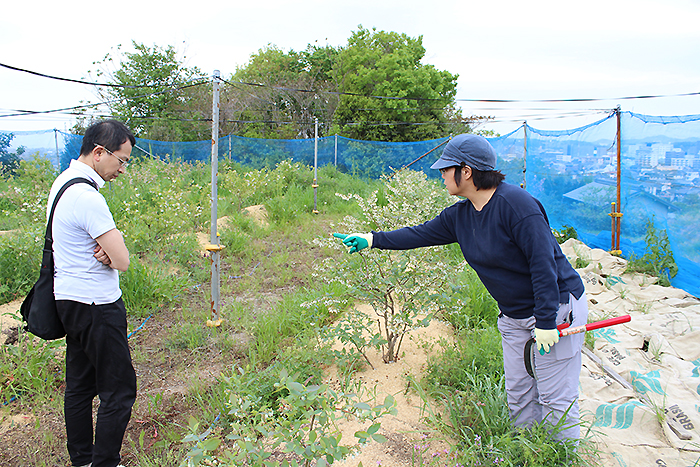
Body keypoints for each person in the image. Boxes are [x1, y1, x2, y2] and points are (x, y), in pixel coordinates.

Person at [334, 133, 588, 441]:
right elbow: (419, 234)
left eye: (446, 169)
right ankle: (527, 453)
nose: (441, 175)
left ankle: (561, 457)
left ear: (465, 172)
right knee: (519, 394)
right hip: (514, 317)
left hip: (556, 309)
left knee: (554, 400)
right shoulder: (461, 215)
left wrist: (547, 320)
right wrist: (372, 240)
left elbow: (544, 264)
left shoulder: (517, 206)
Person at [48, 119, 137, 467]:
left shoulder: (62, 183)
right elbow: (123, 260)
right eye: (122, 160)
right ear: (99, 153)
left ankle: (83, 459)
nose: (123, 169)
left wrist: (106, 251)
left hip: (68, 299)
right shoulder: (87, 196)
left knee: (81, 386)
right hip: (97, 305)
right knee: (119, 389)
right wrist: (110, 253)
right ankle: (105, 462)